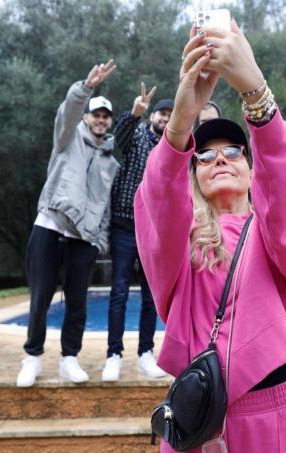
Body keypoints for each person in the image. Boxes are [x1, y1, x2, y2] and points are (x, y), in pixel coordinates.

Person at [134, 19, 286, 452]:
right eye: (203, 155)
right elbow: (157, 201)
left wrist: (256, 92)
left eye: (233, 151)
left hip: (284, 416)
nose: (218, 158)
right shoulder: (181, 243)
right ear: (192, 175)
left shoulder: (275, 229)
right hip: (204, 423)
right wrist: (182, 118)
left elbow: (285, 188)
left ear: (251, 168)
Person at [16, 60, 119, 387]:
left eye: (106, 117)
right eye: (95, 115)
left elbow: (104, 206)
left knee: (77, 302)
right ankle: (32, 357)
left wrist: (99, 241)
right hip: (50, 226)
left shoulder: (111, 162)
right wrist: (85, 89)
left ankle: (68, 359)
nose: (100, 121)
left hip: (83, 239)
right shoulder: (67, 137)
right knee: (41, 297)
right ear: (86, 117)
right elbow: (67, 111)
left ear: (109, 122)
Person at [102, 84, 173, 381]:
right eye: (162, 114)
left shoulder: (173, 145)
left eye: (171, 115)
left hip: (154, 232)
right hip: (124, 226)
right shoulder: (139, 134)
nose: (166, 120)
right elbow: (118, 138)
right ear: (153, 115)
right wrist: (134, 114)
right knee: (118, 292)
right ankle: (113, 355)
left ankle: (146, 353)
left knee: (149, 297)